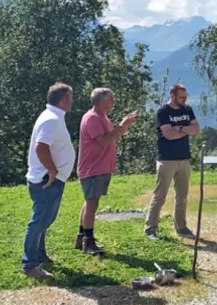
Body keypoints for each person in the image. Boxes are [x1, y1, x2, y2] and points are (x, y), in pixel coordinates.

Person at [21, 82, 76, 279]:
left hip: (50, 178)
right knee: (39, 221)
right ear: (62, 100)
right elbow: (41, 147)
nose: (72, 102)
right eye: (71, 98)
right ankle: (30, 265)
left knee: (46, 219)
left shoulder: (53, 117)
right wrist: (52, 170)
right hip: (46, 180)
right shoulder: (52, 120)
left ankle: (40, 254)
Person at [76, 88, 138, 255]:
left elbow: (109, 136)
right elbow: (103, 141)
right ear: (100, 102)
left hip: (98, 167)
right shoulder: (92, 118)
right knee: (92, 203)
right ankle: (88, 242)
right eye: (111, 100)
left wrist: (122, 127)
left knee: (90, 201)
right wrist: (123, 125)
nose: (113, 103)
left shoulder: (101, 116)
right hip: (92, 168)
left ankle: (81, 236)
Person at [145, 83, 200, 240]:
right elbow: (168, 134)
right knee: (160, 195)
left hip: (184, 158)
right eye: (181, 97)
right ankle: (150, 228)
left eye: (186, 97)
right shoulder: (163, 112)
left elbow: (196, 130)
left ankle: (181, 227)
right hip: (166, 159)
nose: (184, 100)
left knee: (182, 195)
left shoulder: (187, 110)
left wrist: (179, 129)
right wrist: (184, 129)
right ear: (173, 96)